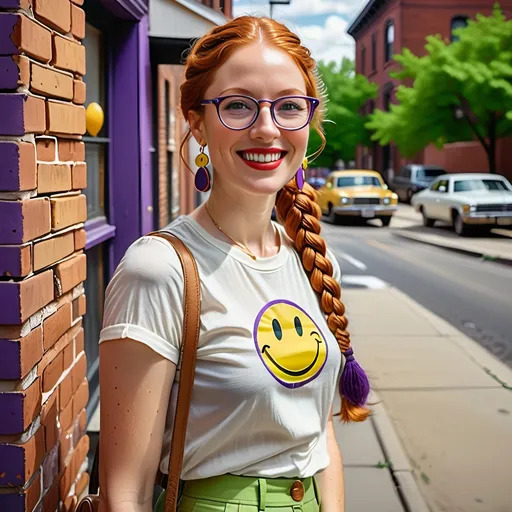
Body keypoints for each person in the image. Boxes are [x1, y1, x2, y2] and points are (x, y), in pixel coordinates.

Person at [97, 15, 370, 512]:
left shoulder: (309, 259)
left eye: (289, 107)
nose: (267, 129)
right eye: (239, 106)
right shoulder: (159, 269)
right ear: (196, 120)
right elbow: (125, 494)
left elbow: (317, 435)